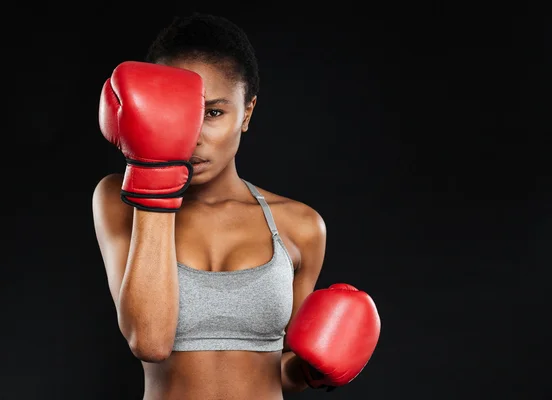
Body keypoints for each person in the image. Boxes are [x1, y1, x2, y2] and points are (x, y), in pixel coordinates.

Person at [92, 12, 380, 400]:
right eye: (175, 111)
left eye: (213, 113)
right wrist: (154, 171)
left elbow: (280, 370)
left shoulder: (301, 225)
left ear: (246, 112)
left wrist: (314, 369)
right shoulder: (119, 199)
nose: (191, 135)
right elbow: (150, 341)